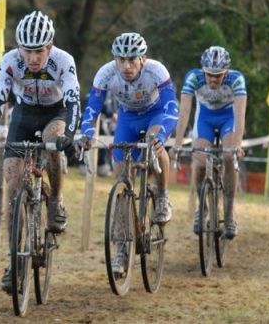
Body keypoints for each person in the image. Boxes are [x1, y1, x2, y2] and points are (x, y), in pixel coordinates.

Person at [0, 10, 80, 293]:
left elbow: (72, 101)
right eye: (27, 51)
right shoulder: (9, 61)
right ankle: (13, 261)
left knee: (52, 139)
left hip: (55, 113)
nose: (33, 58)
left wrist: (68, 135)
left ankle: (56, 200)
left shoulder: (63, 61)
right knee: (12, 186)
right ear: (18, 47)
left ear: (50, 45)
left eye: (40, 51)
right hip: (23, 114)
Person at [78, 32, 179, 274]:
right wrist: (87, 132)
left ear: (142, 59)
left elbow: (172, 108)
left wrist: (163, 134)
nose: (126, 65)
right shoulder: (105, 74)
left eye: (132, 59)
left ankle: (162, 196)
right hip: (127, 120)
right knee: (122, 182)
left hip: (155, 115)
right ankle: (122, 250)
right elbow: (92, 108)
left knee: (156, 144)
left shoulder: (157, 71)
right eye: (120, 59)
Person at [170, 46, 246, 239]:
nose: (213, 79)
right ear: (203, 70)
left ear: (226, 72)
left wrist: (237, 144)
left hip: (228, 118)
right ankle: (202, 208)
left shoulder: (236, 79)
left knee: (229, 156)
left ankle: (229, 212)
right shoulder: (193, 78)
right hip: (204, 118)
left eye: (218, 75)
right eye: (209, 75)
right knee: (200, 161)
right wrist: (177, 144)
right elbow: (185, 112)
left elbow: (239, 114)